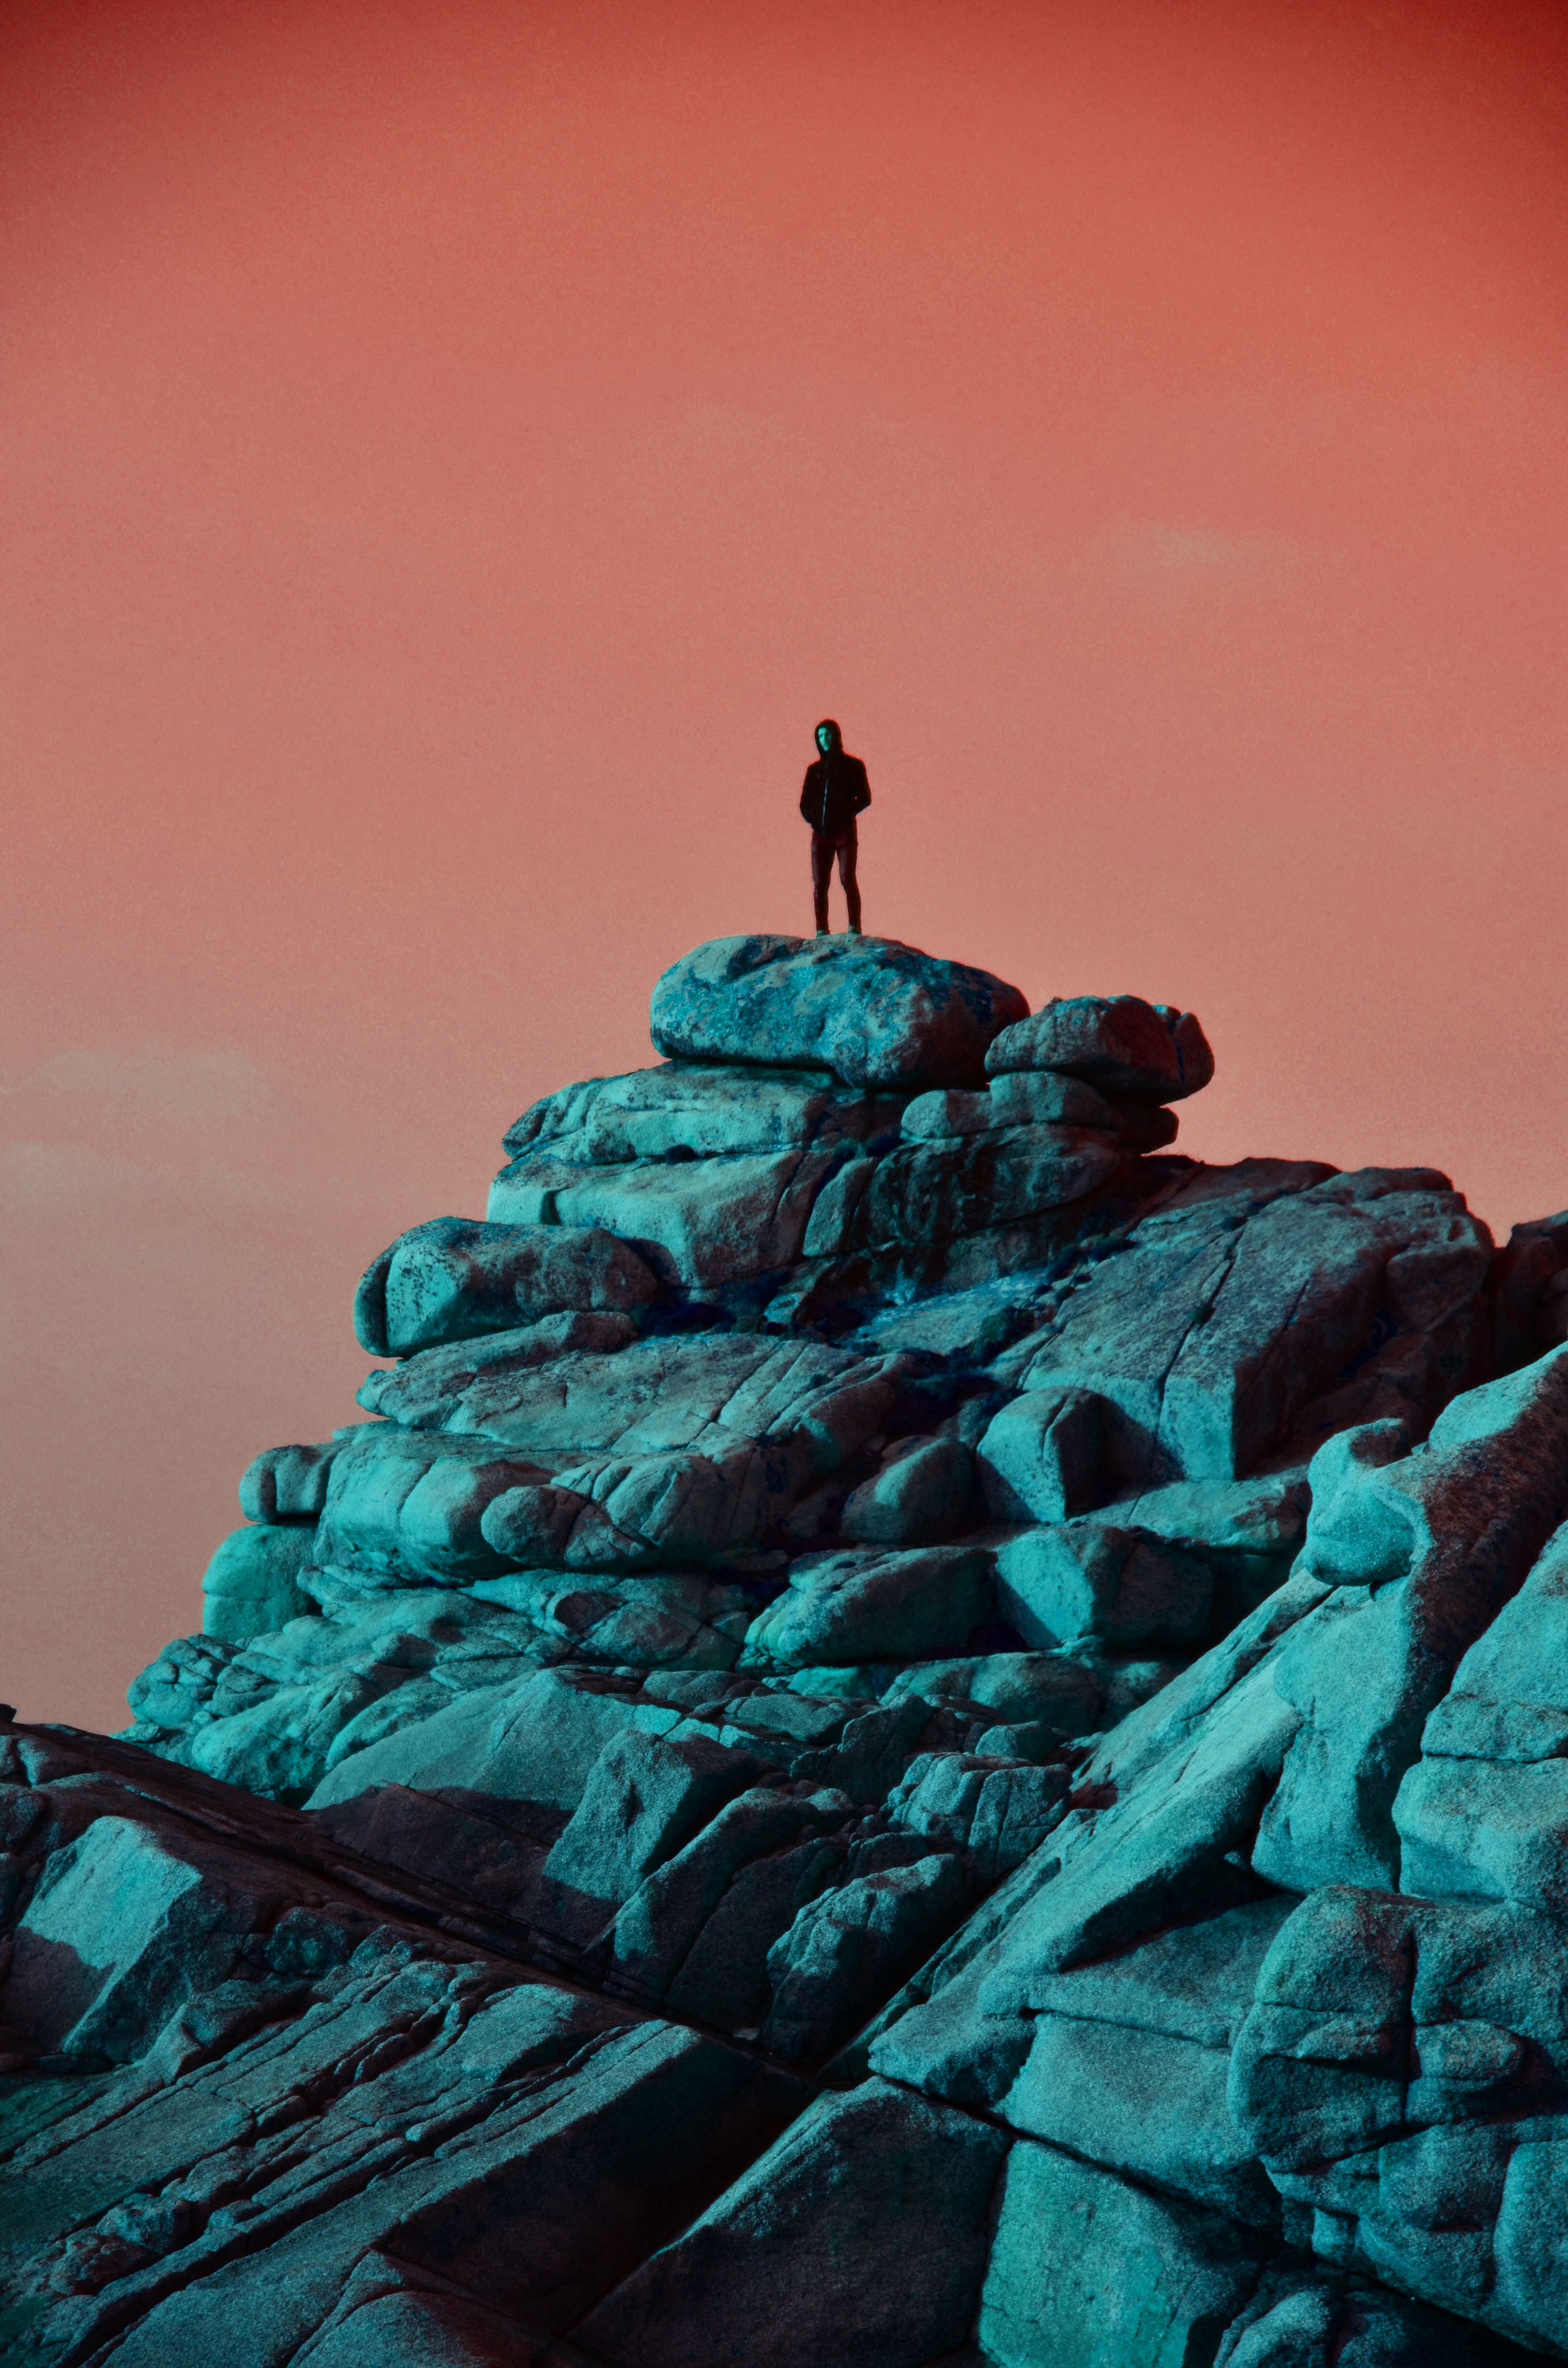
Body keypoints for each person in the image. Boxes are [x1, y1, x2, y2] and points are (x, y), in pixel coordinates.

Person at [799, 717, 871, 936]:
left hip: (844, 832)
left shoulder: (853, 766)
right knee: (820, 883)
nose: (825, 740)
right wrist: (815, 820)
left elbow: (865, 797)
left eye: (828, 734)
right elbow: (804, 803)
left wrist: (844, 814)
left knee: (847, 878)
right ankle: (822, 930)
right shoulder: (814, 770)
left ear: (837, 736)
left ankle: (854, 928)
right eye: (820, 736)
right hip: (820, 835)